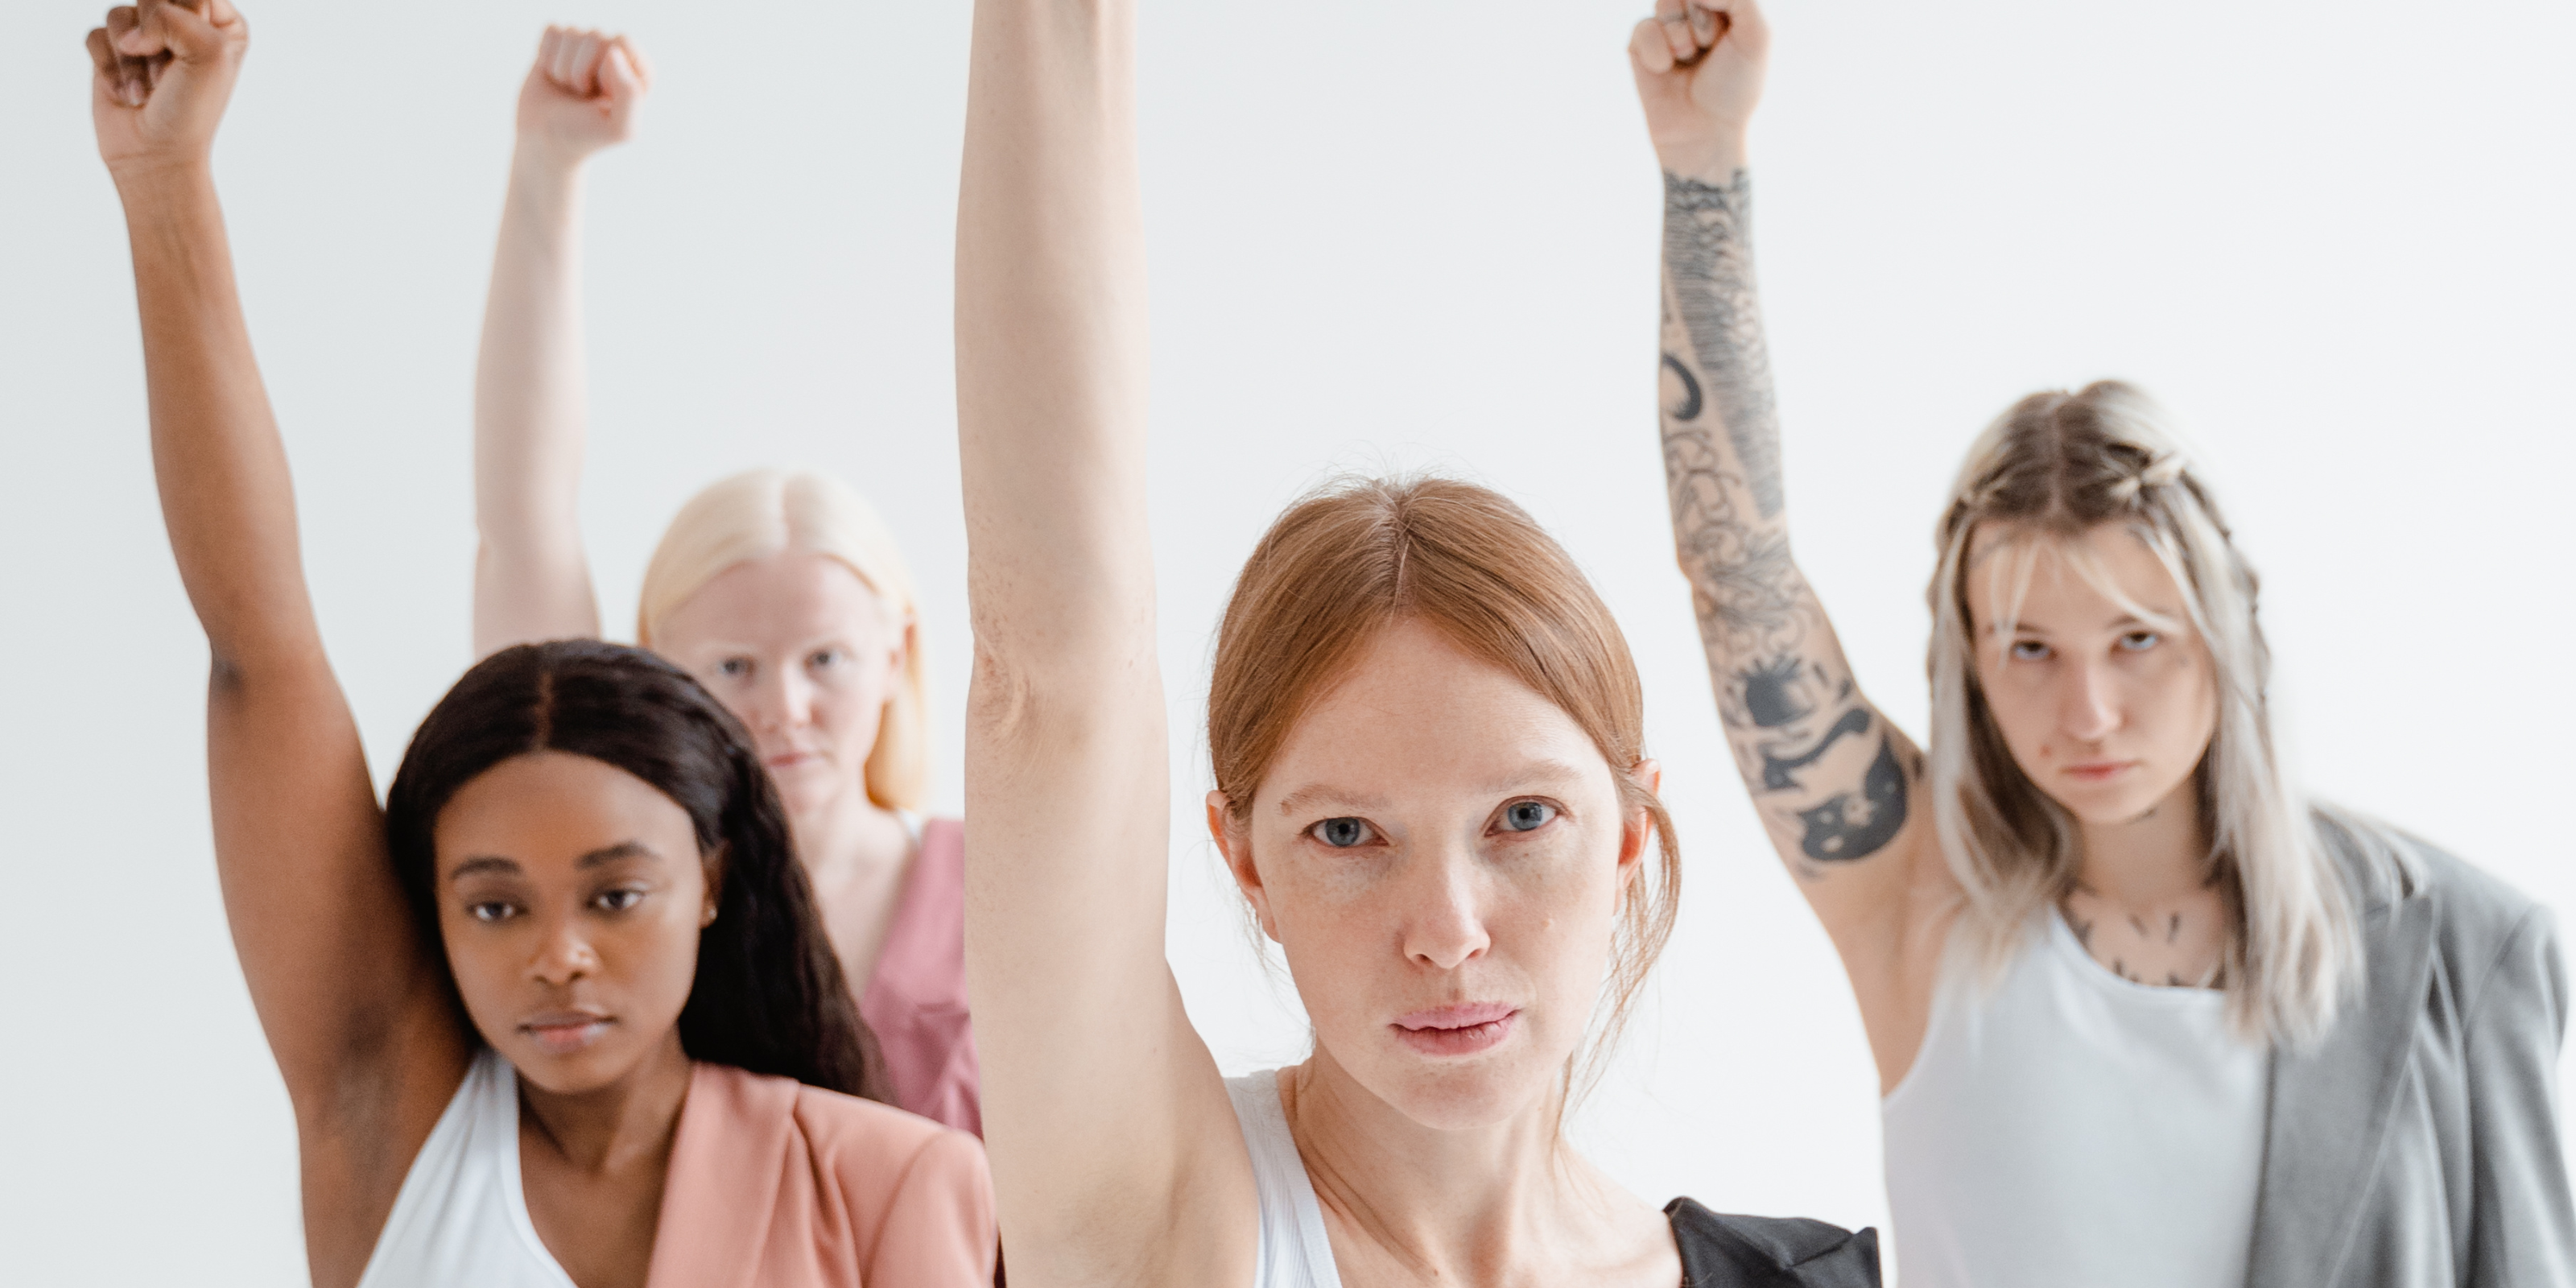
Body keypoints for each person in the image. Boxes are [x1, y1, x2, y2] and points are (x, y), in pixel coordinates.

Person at [1632, 3, 2576, 1285]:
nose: (2086, 713)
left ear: (2226, 636)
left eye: (2137, 641)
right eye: (2027, 649)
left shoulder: (2453, 944)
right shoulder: (1922, 902)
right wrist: (1704, 168)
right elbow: (1738, 577)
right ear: (1967, 658)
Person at [950, 2, 1878, 1286]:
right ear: (1245, 862)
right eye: (1346, 835)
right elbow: (1050, 687)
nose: (1445, 932)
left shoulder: (1818, 1277)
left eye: (1520, 819)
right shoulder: (1171, 1226)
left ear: (1624, 833)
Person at [84, 4, 996, 1285]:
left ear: (716, 880)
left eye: (617, 896)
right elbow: (260, 644)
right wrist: (164, 183)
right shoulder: (391, 1126)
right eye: (495, 904)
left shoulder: (894, 1179)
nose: (557, 954)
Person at [470, 27, 980, 1135]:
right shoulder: (635, 888)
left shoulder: (995, 887)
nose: (782, 707)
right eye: (734, 664)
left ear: (896, 653)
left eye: (827, 660)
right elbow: (525, 525)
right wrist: (548, 173)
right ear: (665, 671)